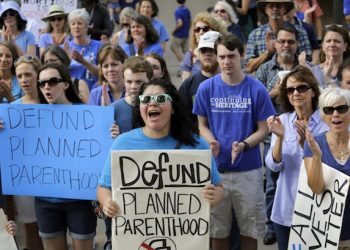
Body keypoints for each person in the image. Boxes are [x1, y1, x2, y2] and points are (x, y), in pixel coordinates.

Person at [97, 78, 224, 227]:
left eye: (161, 98)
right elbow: (103, 187)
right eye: (146, 99)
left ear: (173, 108)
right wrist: (107, 202)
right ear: (140, 107)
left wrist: (214, 197)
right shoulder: (122, 143)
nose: (152, 103)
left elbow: (219, 187)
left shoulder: (197, 144)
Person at [193, 33, 275, 250]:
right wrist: (211, 141)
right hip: (216, 171)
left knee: (251, 230)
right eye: (222, 57)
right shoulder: (206, 88)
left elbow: (264, 128)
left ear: (242, 55)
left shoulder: (256, 88)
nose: (226, 62)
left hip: (249, 171)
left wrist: (244, 144)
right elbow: (201, 125)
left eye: (231, 56)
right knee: (218, 231)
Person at [35, 62, 97, 250]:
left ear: (66, 84)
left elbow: (96, 150)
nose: (47, 86)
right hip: (46, 201)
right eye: (42, 82)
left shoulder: (87, 116)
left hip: (80, 200)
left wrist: (110, 132)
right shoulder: (30, 117)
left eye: (53, 81)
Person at [265, 65, 328, 250]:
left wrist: (304, 146)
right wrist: (280, 139)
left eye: (302, 87)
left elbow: (331, 165)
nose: (296, 93)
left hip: (320, 209)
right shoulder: (282, 121)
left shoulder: (328, 121)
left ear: (313, 92)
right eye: (290, 89)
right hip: (287, 209)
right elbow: (273, 166)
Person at [255, 24, 301, 245]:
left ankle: (300, 219)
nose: (286, 45)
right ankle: (272, 225)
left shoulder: (303, 69)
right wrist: (278, 89)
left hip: (300, 132)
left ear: (296, 44)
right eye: (282, 41)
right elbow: (256, 103)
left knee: (297, 180)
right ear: (275, 43)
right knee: (272, 183)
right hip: (271, 134)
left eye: (290, 41)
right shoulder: (265, 69)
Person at [103, 56, 153, 250]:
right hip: (120, 187)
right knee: (117, 237)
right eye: (130, 81)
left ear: (150, 81)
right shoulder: (112, 110)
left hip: (149, 185)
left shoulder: (157, 109)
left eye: (139, 81)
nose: (133, 86)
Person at [304, 87, 350, 248]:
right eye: (329, 110)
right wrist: (317, 156)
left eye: (342, 108)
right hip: (326, 233)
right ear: (323, 116)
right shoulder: (314, 143)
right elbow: (316, 188)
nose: (335, 114)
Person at [244, 0, 312, 73]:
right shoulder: (255, 34)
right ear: (265, 10)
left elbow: (307, 61)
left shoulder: (299, 31)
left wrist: (288, 50)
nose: (275, 8)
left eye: (278, 6)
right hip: (263, 81)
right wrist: (267, 53)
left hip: (294, 77)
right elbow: (249, 67)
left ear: (285, 9)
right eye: (271, 6)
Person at [179, 30, 220, 124]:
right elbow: (183, 119)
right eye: (203, 49)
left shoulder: (231, 82)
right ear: (198, 53)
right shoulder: (188, 85)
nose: (207, 53)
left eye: (212, 49)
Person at [180, 11, 226, 81]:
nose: (201, 32)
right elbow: (185, 84)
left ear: (214, 30)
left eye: (205, 29)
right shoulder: (189, 55)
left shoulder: (224, 51)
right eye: (197, 29)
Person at [66, 8, 101, 90]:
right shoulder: (65, 48)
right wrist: (66, 61)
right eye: (73, 24)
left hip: (93, 91)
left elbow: (102, 72)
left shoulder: (99, 45)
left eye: (79, 23)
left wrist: (83, 61)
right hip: (72, 92)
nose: (76, 26)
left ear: (86, 26)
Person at [310, 24, 350, 89]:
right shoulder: (313, 72)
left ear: (345, 46)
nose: (332, 44)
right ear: (322, 45)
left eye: (337, 41)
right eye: (328, 41)